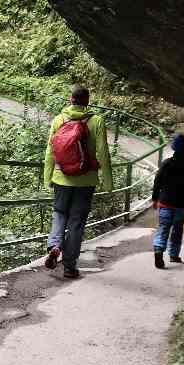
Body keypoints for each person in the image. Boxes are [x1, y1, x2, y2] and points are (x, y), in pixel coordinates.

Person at [43, 85, 113, 278]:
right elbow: (104, 154)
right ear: (87, 101)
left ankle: (55, 245)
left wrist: (47, 177)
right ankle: (69, 266)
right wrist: (108, 183)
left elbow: (50, 152)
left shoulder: (59, 119)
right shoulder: (97, 121)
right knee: (76, 222)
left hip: (61, 178)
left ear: (70, 100)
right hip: (86, 181)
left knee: (59, 213)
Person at [151, 133, 184, 269]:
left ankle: (158, 250)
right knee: (177, 229)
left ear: (173, 147)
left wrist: (155, 198)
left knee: (163, 228)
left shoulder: (166, 163)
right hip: (182, 205)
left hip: (165, 202)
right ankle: (174, 255)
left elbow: (157, 182)